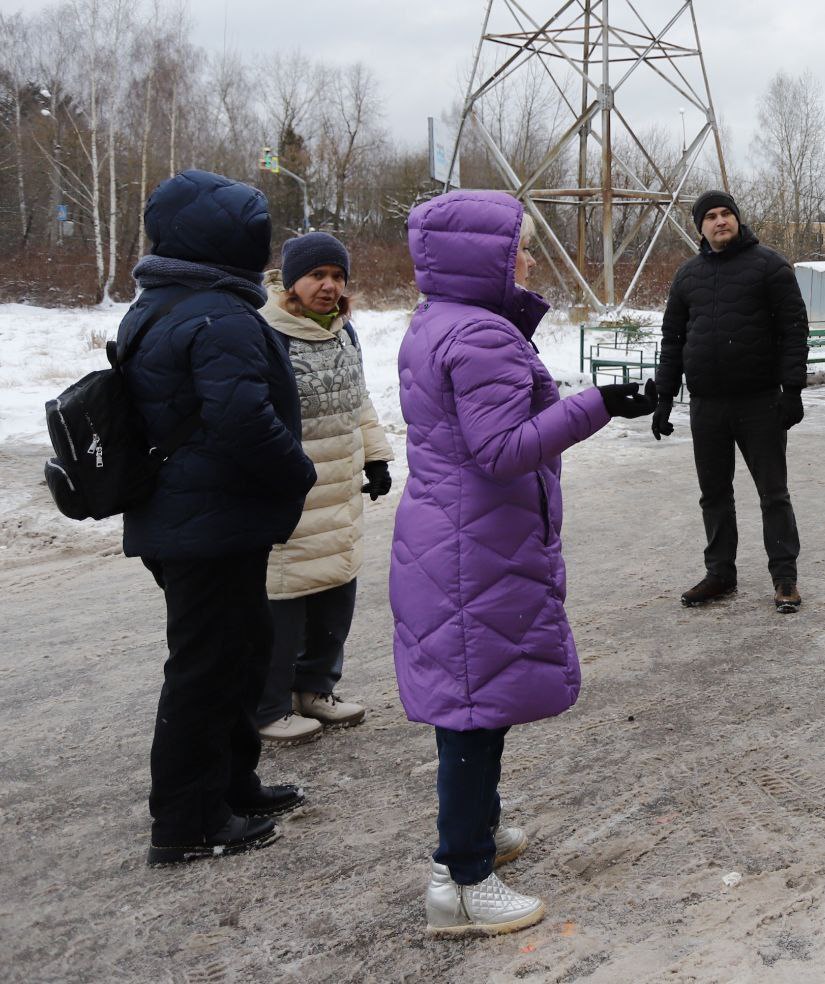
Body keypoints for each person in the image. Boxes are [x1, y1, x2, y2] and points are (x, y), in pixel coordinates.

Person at [393, 190, 654, 935]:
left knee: (477, 696)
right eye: (519, 250)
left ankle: (479, 832)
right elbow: (503, 449)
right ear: (485, 257)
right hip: (474, 546)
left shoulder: (440, 322)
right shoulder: (481, 335)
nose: (530, 260)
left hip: (456, 536)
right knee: (473, 708)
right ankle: (460, 879)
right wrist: (598, 403)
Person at [121, 170, 317, 865]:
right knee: (206, 667)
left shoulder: (165, 302)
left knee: (239, 650)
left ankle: (233, 786)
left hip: (198, 516)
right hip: (207, 521)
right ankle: (187, 821)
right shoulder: (218, 313)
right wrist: (299, 471)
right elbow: (242, 418)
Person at [255, 232, 394, 746]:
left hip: (339, 491)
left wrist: (376, 455)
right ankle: (269, 705)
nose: (329, 286)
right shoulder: (268, 333)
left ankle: (316, 689)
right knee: (285, 604)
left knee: (337, 593)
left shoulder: (343, 334)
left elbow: (358, 401)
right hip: (291, 494)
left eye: (337, 277)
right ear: (291, 280)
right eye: (318, 275)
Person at [652, 190, 810, 613]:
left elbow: (795, 330)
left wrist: (792, 390)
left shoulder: (770, 266)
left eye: (726, 214)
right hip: (707, 405)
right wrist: (664, 397)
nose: (720, 221)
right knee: (714, 494)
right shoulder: (687, 276)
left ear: (737, 219)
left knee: (773, 493)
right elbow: (673, 340)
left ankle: (784, 578)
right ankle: (720, 573)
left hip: (760, 402)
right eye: (711, 217)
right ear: (700, 227)